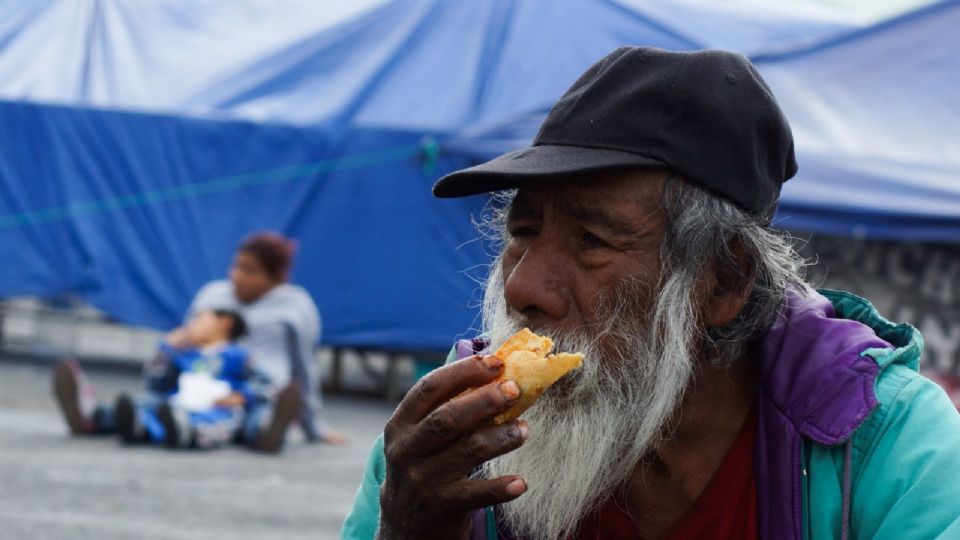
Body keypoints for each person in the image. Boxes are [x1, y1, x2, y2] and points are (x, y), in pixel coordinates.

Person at [342, 47, 960, 539]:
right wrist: (405, 530)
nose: (524, 286)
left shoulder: (884, 445)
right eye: (523, 231)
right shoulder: (447, 437)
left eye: (591, 240)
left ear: (722, 281)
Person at [186, 231, 345, 444]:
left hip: (263, 390)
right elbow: (183, 346)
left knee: (259, 412)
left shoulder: (295, 305)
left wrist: (313, 427)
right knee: (200, 403)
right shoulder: (212, 295)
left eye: (250, 271)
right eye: (237, 266)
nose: (238, 276)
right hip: (214, 384)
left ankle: (269, 429)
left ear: (275, 278)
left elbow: (305, 366)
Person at [113, 309, 296, 451]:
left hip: (219, 406)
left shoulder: (239, 355)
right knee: (148, 403)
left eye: (199, 320)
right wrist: (165, 348)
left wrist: (242, 396)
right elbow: (154, 383)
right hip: (180, 405)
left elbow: (266, 384)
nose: (191, 325)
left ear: (225, 323)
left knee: (227, 419)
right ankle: (135, 426)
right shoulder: (184, 354)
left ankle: (266, 432)